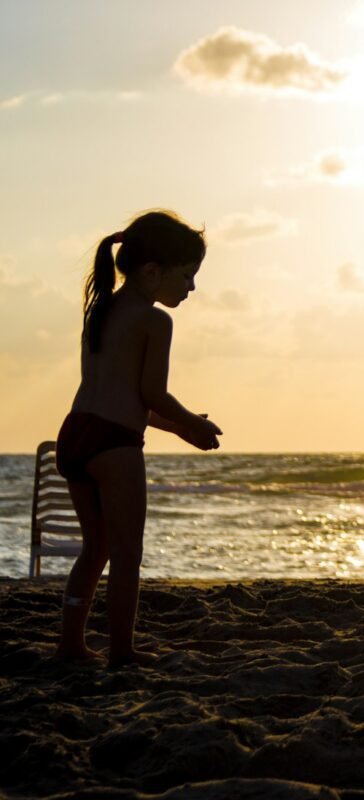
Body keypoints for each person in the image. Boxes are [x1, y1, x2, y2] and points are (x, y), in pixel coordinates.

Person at [55, 210, 223, 667]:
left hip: (76, 434)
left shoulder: (103, 307)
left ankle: (71, 644)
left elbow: (128, 401)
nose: (191, 288)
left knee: (97, 548)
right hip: (114, 444)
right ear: (153, 271)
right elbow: (152, 394)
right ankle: (122, 651)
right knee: (127, 553)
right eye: (187, 276)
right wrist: (194, 420)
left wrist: (181, 428)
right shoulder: (155, 322)